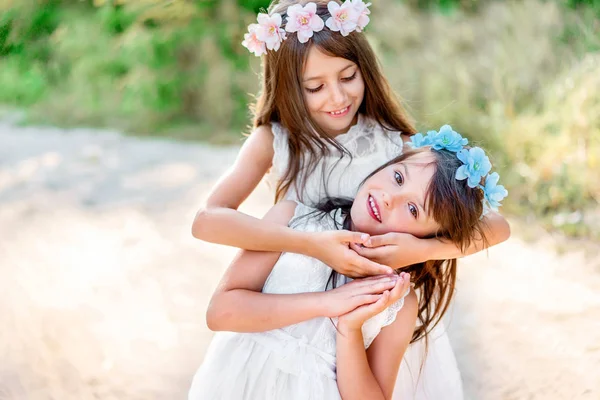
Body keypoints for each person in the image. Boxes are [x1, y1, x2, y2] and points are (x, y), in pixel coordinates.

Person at [192, 1, 511, 398]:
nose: (337, 96)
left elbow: (497, 225)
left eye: (348, 76)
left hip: (369, 311)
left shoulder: (394, 143)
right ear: (290, 86)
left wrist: (421, 246)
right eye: (315, 87)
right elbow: (207, 220)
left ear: (365, 69)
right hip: (295, 273)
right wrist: (309, 244)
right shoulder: (277, 141)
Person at [188, 134, 508, 399]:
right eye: (398, 177)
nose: (388, 199)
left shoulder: (395, 301)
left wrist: (350, 328)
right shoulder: (293, 219)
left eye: (412, 209)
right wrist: (327, 304)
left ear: (425, 236)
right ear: (391, 163)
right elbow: (220, 313)